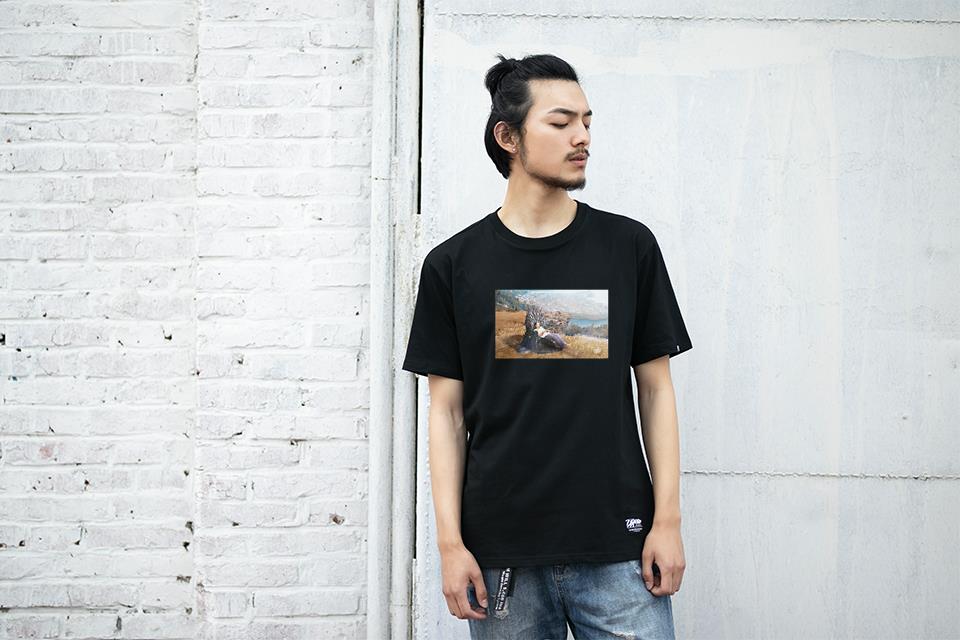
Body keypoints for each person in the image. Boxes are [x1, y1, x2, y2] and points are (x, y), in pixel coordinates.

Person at [401, 52, 693, 640]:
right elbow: (446, 413)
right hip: (501, 555)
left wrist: (667, 520)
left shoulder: (628, 246)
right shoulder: (453, 265)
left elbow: (656, 392)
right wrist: (450, 544)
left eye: (586, 121)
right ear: (507, 137)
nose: (582, 136)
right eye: (560, 123)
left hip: (619, 548)